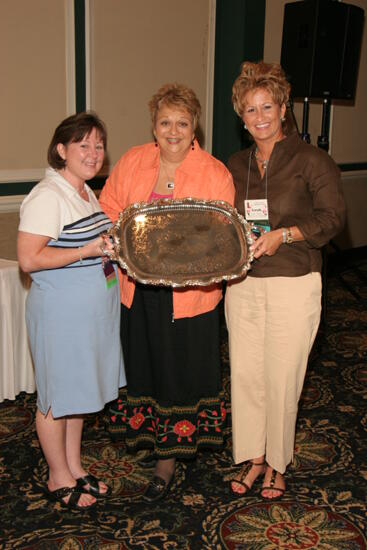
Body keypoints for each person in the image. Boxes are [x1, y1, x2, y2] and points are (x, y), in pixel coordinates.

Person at [99, 83, 235, 501]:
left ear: (194, 127)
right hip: (139, 291)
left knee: (179, 372)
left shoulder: (214, 172)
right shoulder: (134, 161)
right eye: (164, 122)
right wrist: (112, 238)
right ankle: (155, 437)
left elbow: (223, 237)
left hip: (190, 295)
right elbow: (108, 207)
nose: (173, 131)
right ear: (153, 127)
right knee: (146, 366)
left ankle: (168, 459)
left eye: (182, 122)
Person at [224, 61, 346, 500]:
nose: (259, 117)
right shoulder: (235, 165)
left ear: (282, 108)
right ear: (241, 116)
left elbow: (333, 218)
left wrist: (286, 234)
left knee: (283, 375)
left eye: (267, 107)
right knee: (246, 374)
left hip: (294, 280)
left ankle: (278, 461)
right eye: (250, 110)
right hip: (242, 285)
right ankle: (254, 457)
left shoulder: (311, 159)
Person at [17, 112, 126, 510]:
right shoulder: (49, 195)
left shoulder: (83, 191)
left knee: (77, 394)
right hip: (60, 317)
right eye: (84, 145)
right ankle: (57, 476)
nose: (94, 153)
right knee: (55, 397)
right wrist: (88, 250)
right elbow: (28, 259)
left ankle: (75, 467)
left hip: (89, 316)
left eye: (99, 145)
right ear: (61, 150)